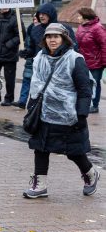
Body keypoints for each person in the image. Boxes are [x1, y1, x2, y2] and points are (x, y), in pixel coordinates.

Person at [23, 23, 98, 199]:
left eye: (56, 36)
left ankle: (90, 174)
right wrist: (31, 108)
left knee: (73, 151)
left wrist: (81, 114)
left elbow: (84, 90)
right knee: (40, 148)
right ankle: (40, 184)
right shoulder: (39, 58)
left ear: (64, 39)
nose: (52, 40)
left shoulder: (75, 59)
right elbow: (36, 85)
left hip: (68, 115)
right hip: (43, 113)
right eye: (49, 37)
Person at [16, 3, 76, 108]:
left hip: (58, 69)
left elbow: (73, 48)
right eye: (39, 14)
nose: (41, 16)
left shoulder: (64, 28)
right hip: (40, 70)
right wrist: (26, 52)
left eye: (44, 14)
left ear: (51, 14)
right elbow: (33, 49)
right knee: (37, 96)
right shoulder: (35, 29)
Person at [75, 7, 105, 114]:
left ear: (85, 16)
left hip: (95, 63)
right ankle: (85, 104)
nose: (77, 18)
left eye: (79, 15)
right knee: (84, 83)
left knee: (95, 83)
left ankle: (94, 105)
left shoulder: (98, 28)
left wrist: (104, 62)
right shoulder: (80, 27)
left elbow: (104, 45)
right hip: (83, 61)